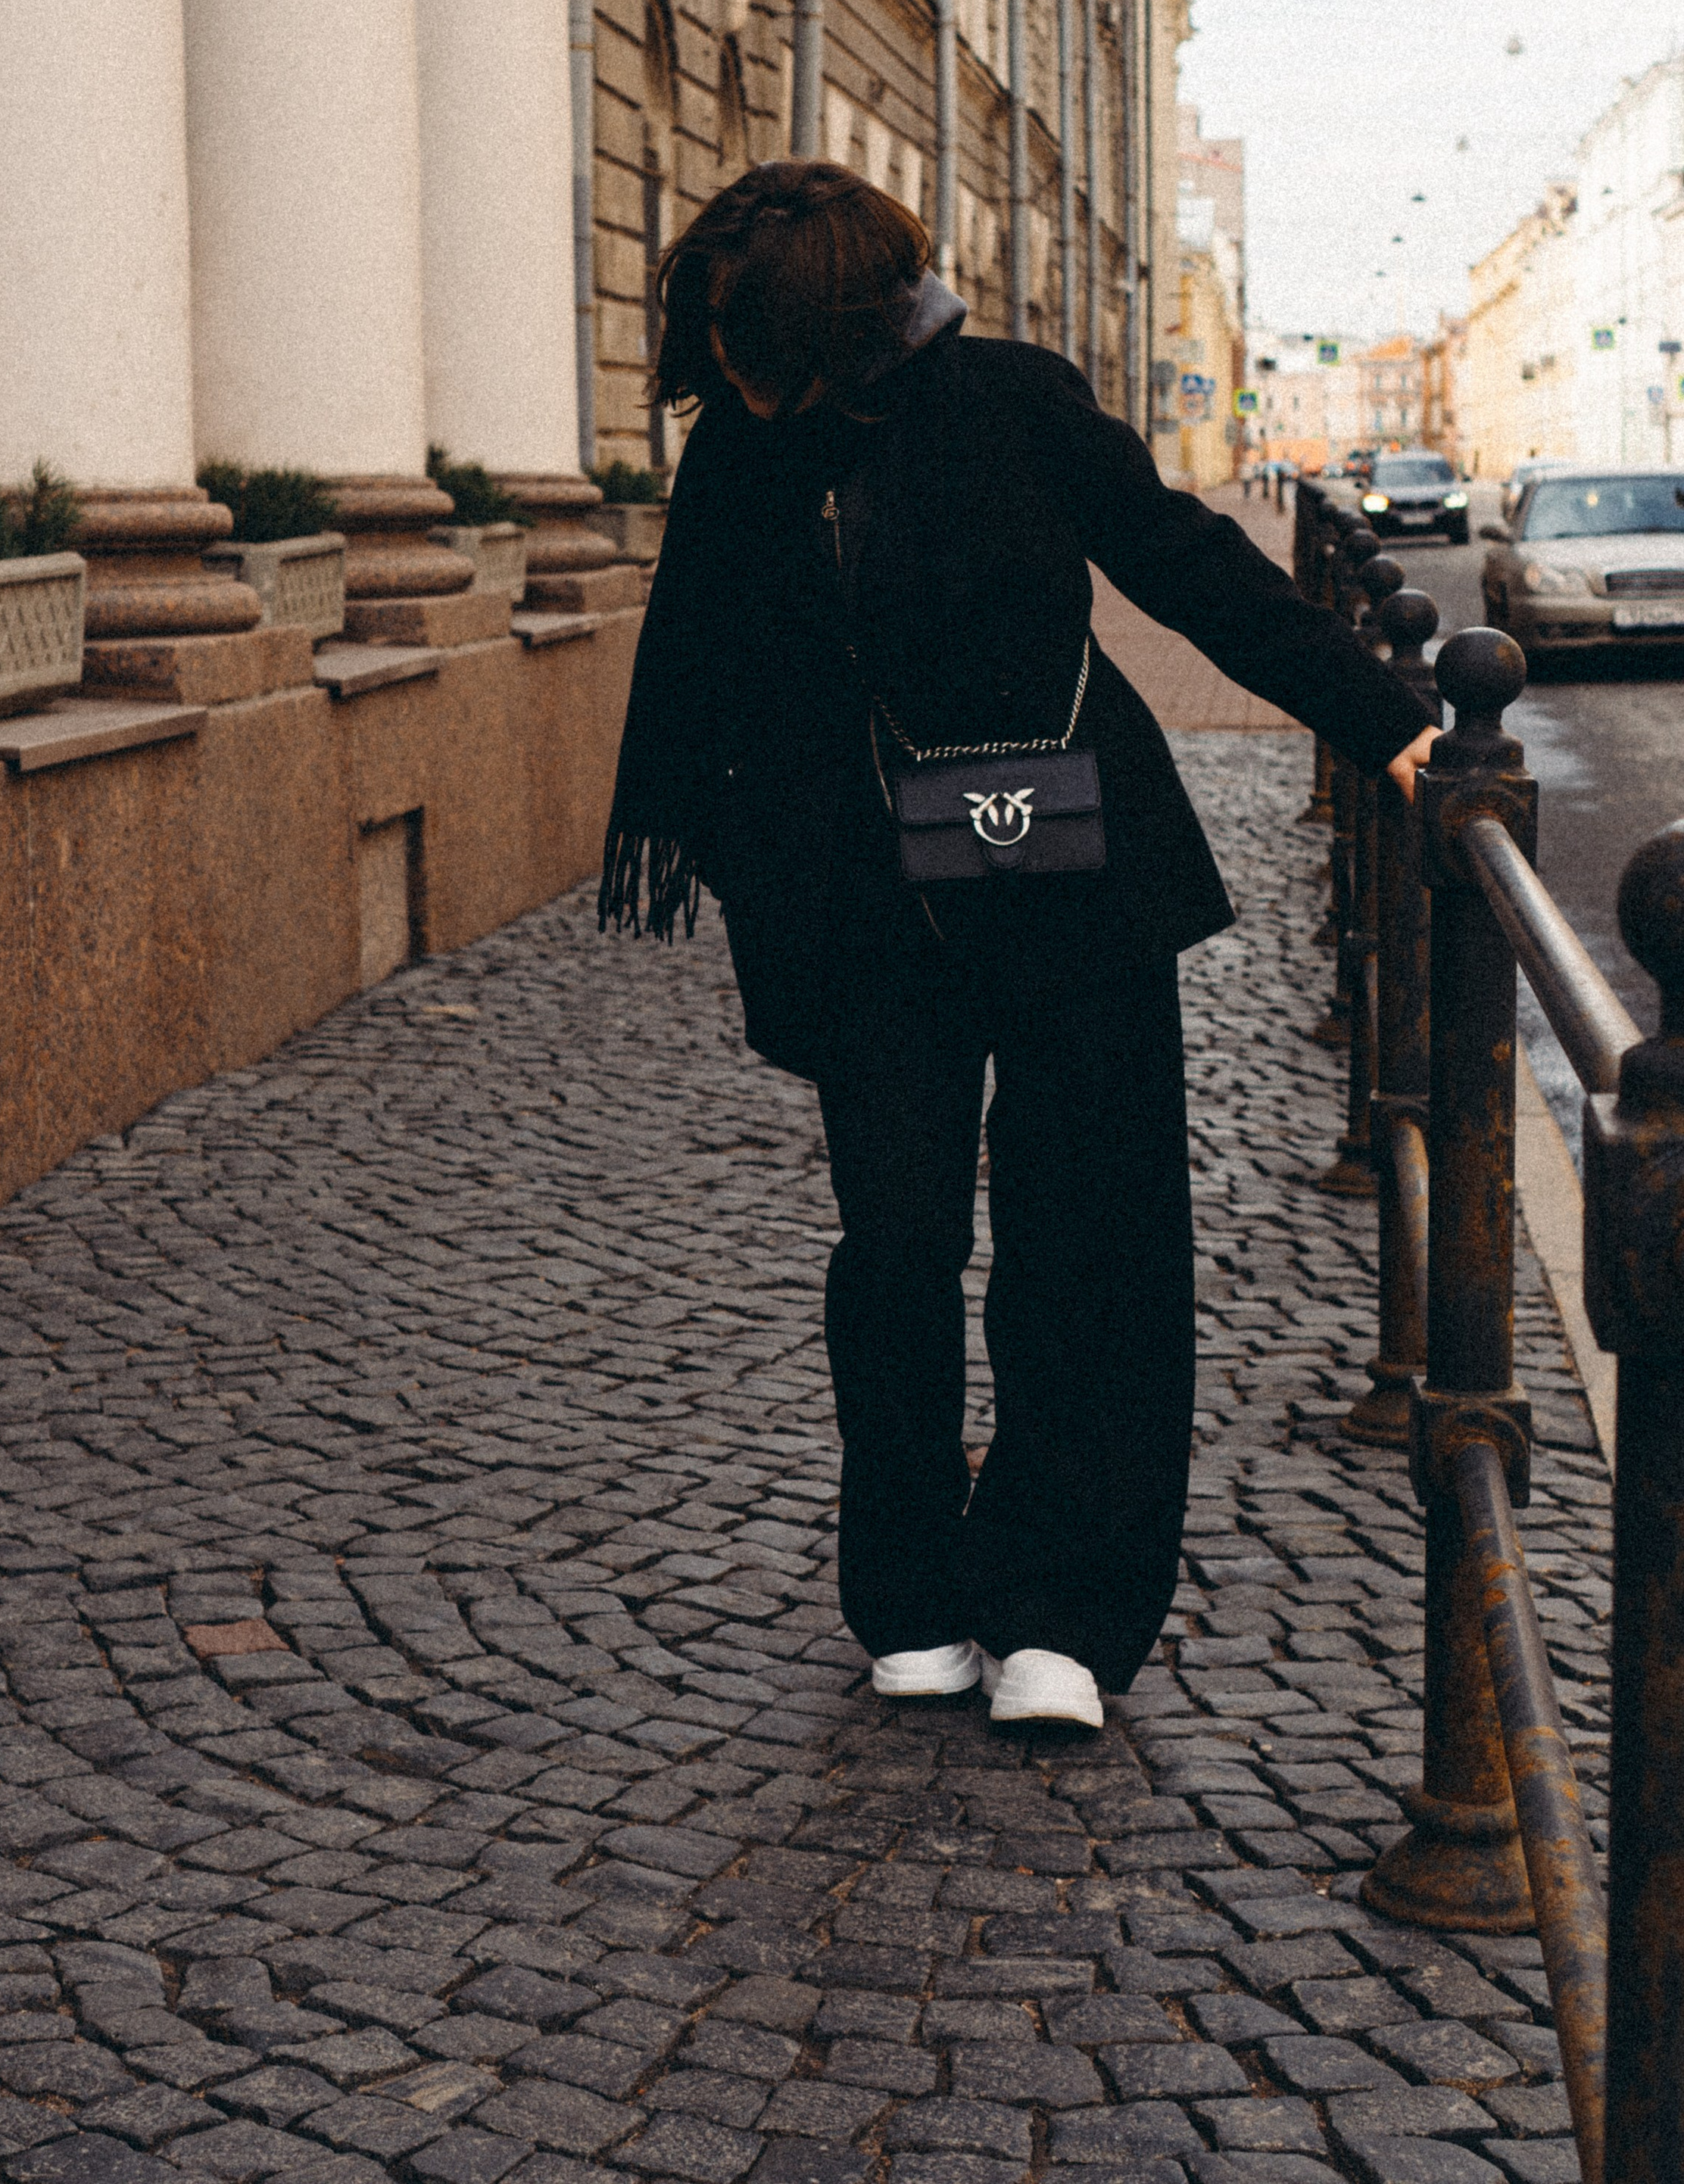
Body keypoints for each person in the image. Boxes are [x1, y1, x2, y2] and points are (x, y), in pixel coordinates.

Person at [600, 161, 1435, 1728]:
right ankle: (909, 1589)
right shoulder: (739, 461)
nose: (725, 366)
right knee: (897, 1243)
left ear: (841, 316)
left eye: (752, 334)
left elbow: (1191, 573)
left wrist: (1390, 728)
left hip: (1069, 873)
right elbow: (702, 693)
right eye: (711, 335)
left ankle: (1061, 1609)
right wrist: (753, 891)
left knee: (1091, 1237)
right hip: (863, 912)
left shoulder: (1009, 400)